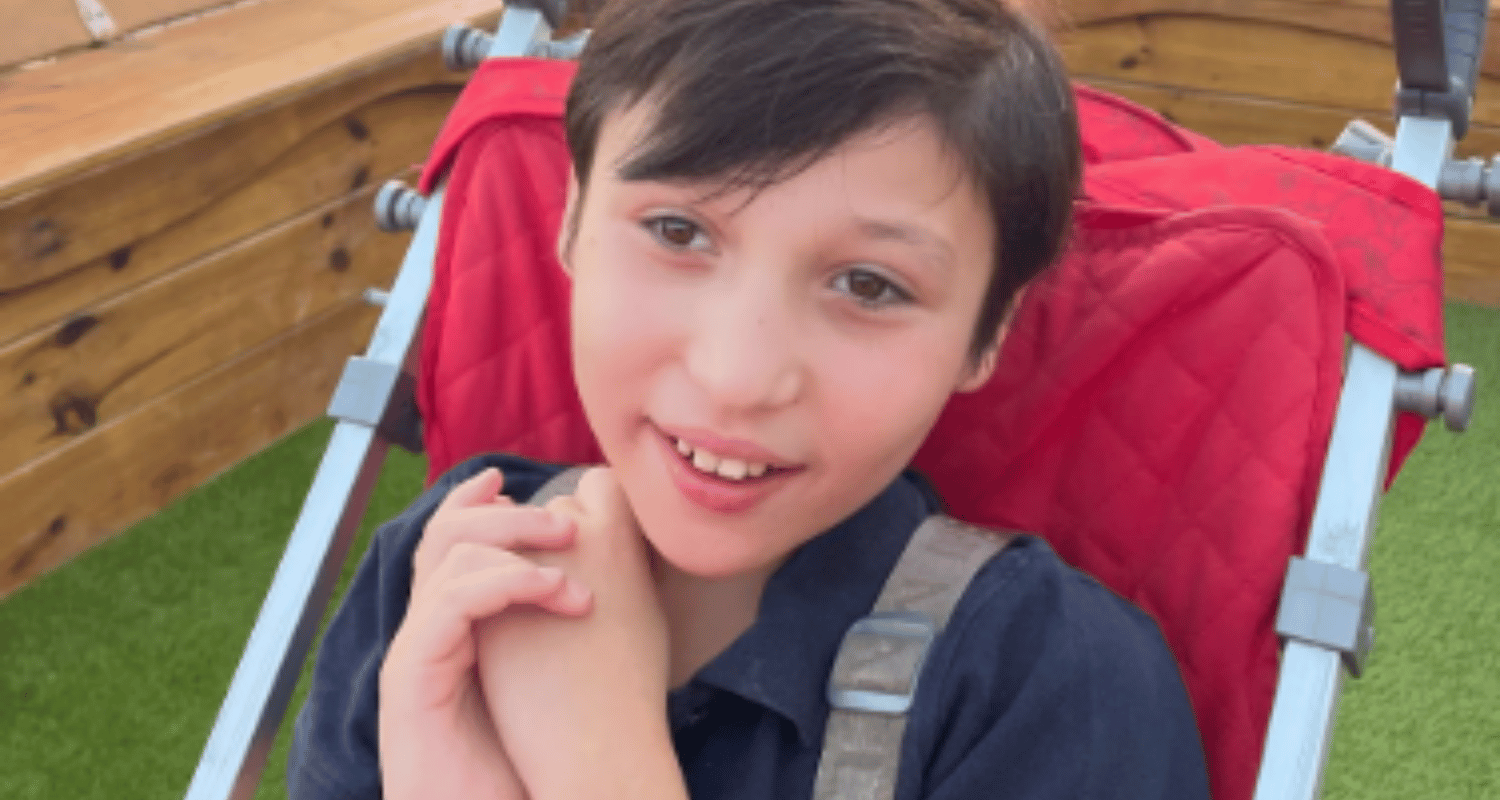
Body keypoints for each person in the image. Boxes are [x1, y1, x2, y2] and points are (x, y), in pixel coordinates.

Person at [287, 1, 1212, 798]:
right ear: (570, 221)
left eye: (868, 285)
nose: (735, 377)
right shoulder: (448, 566)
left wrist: (600, 764)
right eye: (676, 230)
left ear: (984, 334)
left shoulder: (1055, 690)